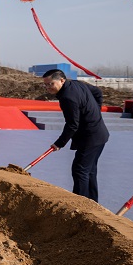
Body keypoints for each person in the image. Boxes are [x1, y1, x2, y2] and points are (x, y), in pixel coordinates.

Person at [43, 69, 109, 203]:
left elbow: (72, 124)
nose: (48, 87)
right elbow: (97, 92)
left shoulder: (67, 97)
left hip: (90, 137)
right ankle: (92, 203)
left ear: (62, 80)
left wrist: (59, 143)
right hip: (99, 134)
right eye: (45, 84)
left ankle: (80, 205)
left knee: (80, 170)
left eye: (51, 84)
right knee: (89, 170)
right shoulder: (76, 84)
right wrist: (95, 112)